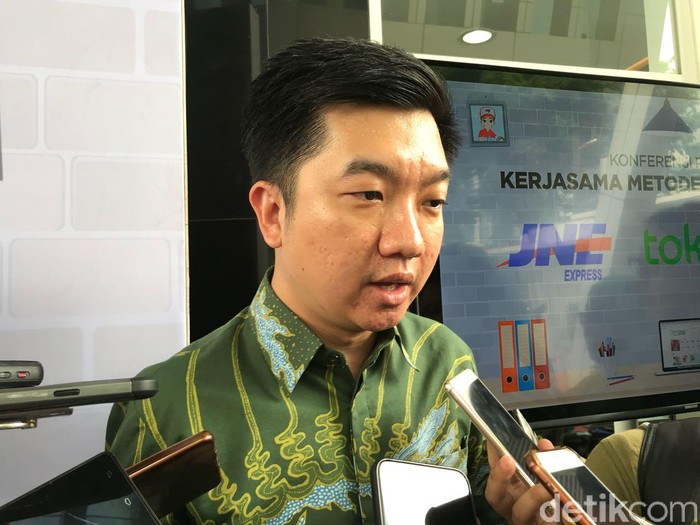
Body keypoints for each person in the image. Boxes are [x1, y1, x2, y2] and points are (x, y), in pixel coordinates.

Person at [106, 37, 552, 525]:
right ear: (273, 212)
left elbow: (489, 501)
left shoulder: (446, 360)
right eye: (368, 194)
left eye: (432, 201)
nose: (409, 241)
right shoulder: (167, 411)